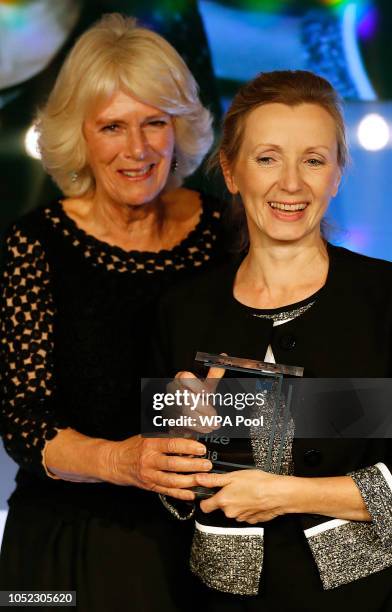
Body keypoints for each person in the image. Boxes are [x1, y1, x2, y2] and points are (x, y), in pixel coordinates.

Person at [0, 13, 227, 612]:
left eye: (156, 122)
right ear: (80, 134)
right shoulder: (34, 245)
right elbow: (23, 423)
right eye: (112, 126)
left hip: (204, 544)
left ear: (180, 129)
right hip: (60, 549)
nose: (137, 149)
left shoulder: (226, 232)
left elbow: (278, 387)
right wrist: (124, 460)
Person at [155, 70, 392, 611]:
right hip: (215, 599)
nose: (292, 184)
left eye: (313, 159)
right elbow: (174, 504)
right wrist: (181, 452)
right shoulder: (182, 310)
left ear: (337, 174)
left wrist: (287, 495)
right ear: (231, 172)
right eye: (267, 158)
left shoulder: (385, 299)